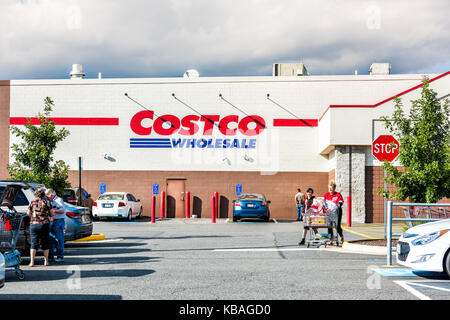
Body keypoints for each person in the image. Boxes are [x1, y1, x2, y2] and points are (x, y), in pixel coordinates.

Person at [27, 188, 54, 267]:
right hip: (44, 224)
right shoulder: (47, 202)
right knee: (45, 242)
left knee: (33, 243)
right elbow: (52, 213)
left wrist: (33, 218)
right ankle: (46, 261)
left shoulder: (32, 202)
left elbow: (28, 213)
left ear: (36, 195)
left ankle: (32, 262)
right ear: (43, 195)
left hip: (34, 224)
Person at [46, 189, 66, 262]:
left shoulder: (59, 200)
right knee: (51, 239)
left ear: (52, 195)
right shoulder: (49, 201)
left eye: (47, 196)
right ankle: (51, 256)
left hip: (58, 221)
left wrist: (54, 211)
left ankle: (60, 257)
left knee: (59, 239)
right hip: (51, 221)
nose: (47, 197)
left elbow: (63, 210)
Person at [323, 181, 344, 245]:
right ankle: (331, 240)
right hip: (329, 212)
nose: (330, 189)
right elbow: (323, 201)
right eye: (329, 188)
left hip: (336, 212)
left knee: (337, 226)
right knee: (329, 226)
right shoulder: (326, 195)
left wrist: (339, 204)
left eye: (331, 188)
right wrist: (326, 208)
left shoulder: (338, 194)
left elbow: (341, 201)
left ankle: (341, 236)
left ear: (334, 188)